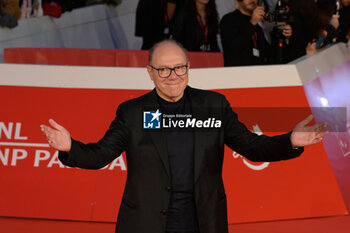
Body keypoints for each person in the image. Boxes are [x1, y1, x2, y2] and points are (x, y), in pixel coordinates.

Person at [40, 39, 327, 233]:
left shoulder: (214, 105)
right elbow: (100, 155)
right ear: (150, 72)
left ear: (188, 68)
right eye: (163, 69)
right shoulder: (132, 112)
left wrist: (290, 140)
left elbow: (252, 146)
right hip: (146, 223)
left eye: (179, 67)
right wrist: (69, 147)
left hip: (203, 221)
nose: (172, 75)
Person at [220, 0, 292, 66]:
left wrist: (283, 38)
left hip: (258, 75)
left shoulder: (257, 26)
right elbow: (233, 49)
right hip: (237, 74)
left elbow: (270, 55)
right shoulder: (228, 19)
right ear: (238, 1)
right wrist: (252, 23)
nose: (252, 0)